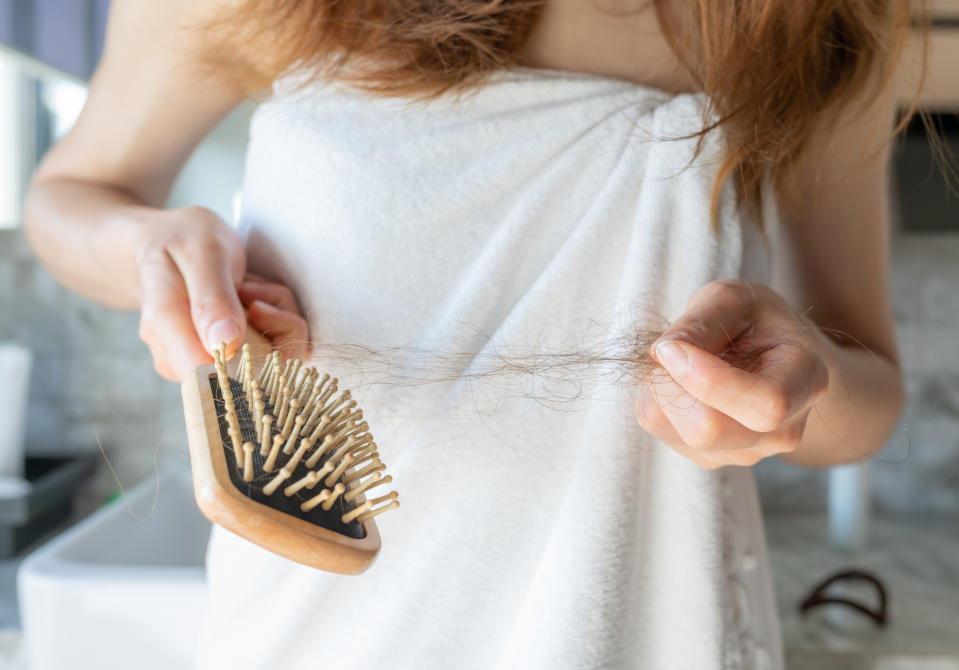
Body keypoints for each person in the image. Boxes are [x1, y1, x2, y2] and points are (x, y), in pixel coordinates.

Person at [23, 1, 913, 667]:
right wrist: (146, 245)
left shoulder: (811, 18)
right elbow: (73, 195)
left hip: (645, 629)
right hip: (318, 628)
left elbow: (866, 391)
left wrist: (795, 389)